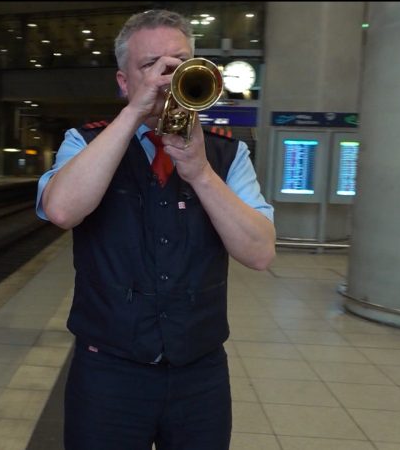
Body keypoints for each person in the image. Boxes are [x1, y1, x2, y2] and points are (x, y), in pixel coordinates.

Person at [35, 9, 276, 450]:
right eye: (150, 66)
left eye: (178, 63)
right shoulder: (84, 142)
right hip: (107, 373)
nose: (167, 77)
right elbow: (62, 211)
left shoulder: (227, 156)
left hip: (199, 376)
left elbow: (260, 253)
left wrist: (201, 172)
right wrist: (134, 115)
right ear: (124, 82)